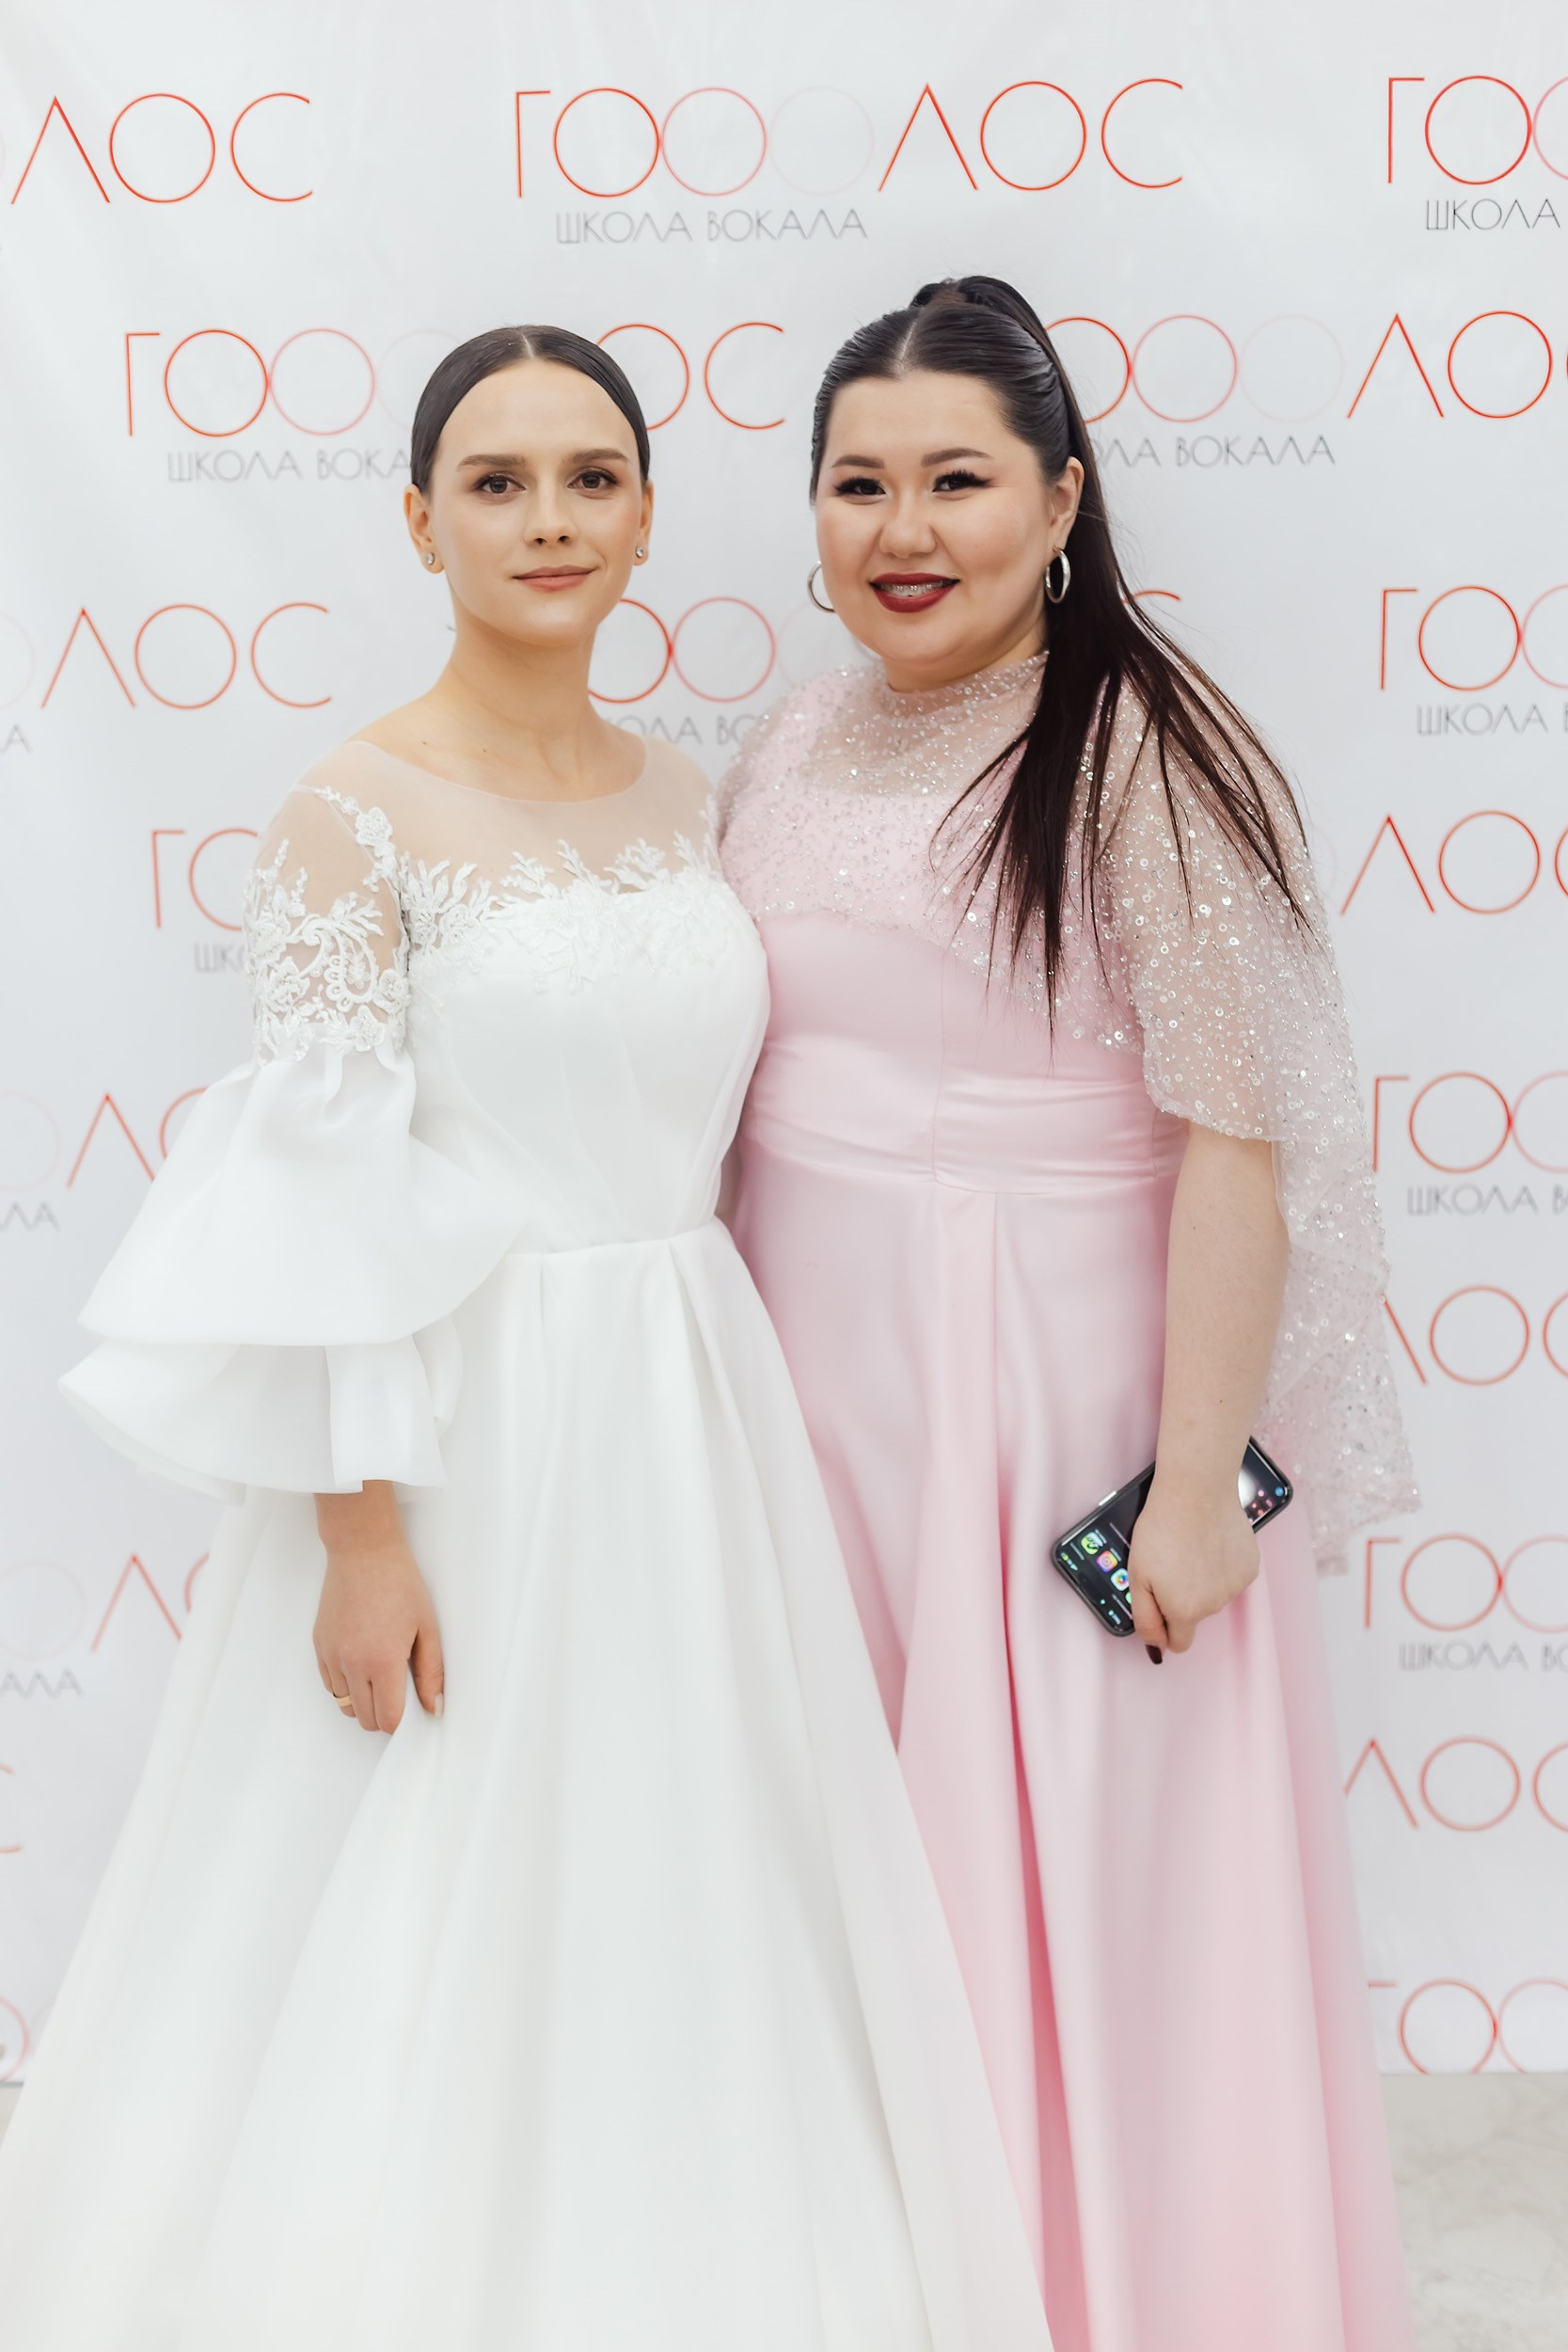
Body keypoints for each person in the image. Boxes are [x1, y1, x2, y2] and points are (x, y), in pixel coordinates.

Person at [0, 326, 1052, 2352]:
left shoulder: (693, 789)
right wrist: (359, 1532)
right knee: (437, 1872)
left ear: (648, 518)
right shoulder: (350, 812)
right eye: (496, 482)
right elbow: (316, 1205)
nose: (549, 519)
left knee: (689, 1870)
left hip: (691, 1406)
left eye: (591, 478)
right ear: (421, 523)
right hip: (467, 1424)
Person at [720, 277, 1418, 2352]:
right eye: (857, 482)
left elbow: (1236, 1144)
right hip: (822, 1386)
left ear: (1060, 499)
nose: (901, 528)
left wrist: (1193, 1487)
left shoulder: (1145, 753)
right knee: (856, 1879)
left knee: (1092, 1886)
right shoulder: (795, 732)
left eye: (956, 478)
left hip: (1052, 1394)